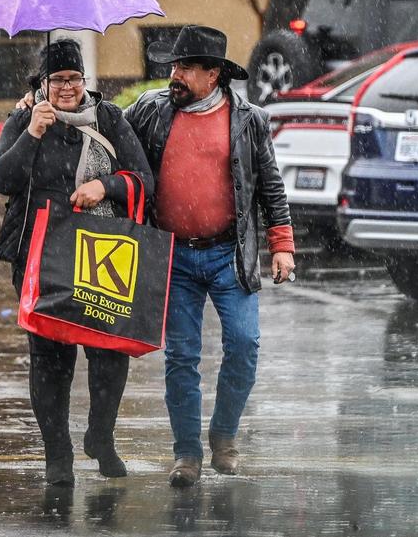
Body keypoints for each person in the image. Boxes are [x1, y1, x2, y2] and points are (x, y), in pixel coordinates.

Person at [124, 25, 296, 487]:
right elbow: (104, 132)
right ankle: (187, 455)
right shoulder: (151, 110)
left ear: (214, 73)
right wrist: (42, 107)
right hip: (173, 257)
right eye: (173, 67)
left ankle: (224, 437)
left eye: (185, 68)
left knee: (244, 345)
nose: (174, 76)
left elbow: (271, 188)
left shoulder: (248, 119)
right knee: (182, 357)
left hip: (229, 255)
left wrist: (282, 245)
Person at [0, 38, 154, 487]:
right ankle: (57, 454)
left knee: (108, 352)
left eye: (74, 78)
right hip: (39, 253)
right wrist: (32, 133)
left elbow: (144, 179)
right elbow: (3, 179)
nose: (67, 88)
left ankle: (100, 436)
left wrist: (106, 187)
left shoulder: (109, 119)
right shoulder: (26, 118)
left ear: (86, 80)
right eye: (57, 79)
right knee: (49, 357)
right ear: (42, 83)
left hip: (102, 253)